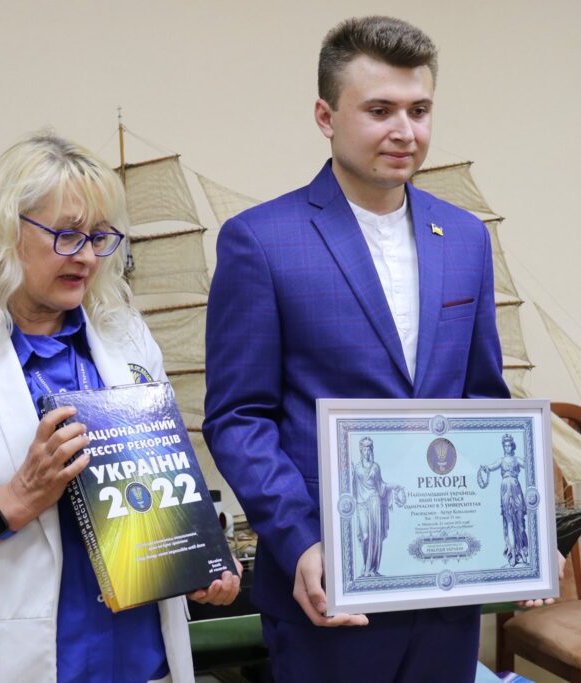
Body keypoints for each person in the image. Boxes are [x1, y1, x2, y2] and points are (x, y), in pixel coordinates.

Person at [204, 16, 536, 682]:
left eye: (420, 110)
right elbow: (238, 416)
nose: (404, 131)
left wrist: (519, 535)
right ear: (326, 117)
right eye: (380, 110)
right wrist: (300, 540)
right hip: (327, 585)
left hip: (447, 589)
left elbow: (482, 399)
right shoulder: (260, 241)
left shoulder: (466, 238)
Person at [0, 133, 239, 682]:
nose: (86, 256)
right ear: (6, 232)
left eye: (99, 237)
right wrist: (13, 501)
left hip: (140, 666)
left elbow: (155, 504)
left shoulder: (130, 343)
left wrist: (196, 558)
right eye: (67, 235)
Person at [352, 437, 403, 577]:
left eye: (369, 449)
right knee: (365, 536)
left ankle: (372, 568)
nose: (367, 452)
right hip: (361, 504)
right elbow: (353, 487)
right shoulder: (356, 468)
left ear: (371, 450)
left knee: (374, 537)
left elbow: (381, 488)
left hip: (375, 501)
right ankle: (365, 565)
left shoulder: (376, 467)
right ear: (361, 451)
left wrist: (394, 486)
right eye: (364, 449)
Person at [479, 434, 530, 567]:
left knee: (520, 523)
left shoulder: (517, 460)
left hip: (516, 489)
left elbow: (530, 465)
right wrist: (484, 467)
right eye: (505, 445)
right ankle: (512, 553)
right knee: (509, 524)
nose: (507, 447)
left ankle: (522, 551)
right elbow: (491, 466)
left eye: (509, 445)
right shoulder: (501, 461)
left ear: (512, 446)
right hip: (505, 491)